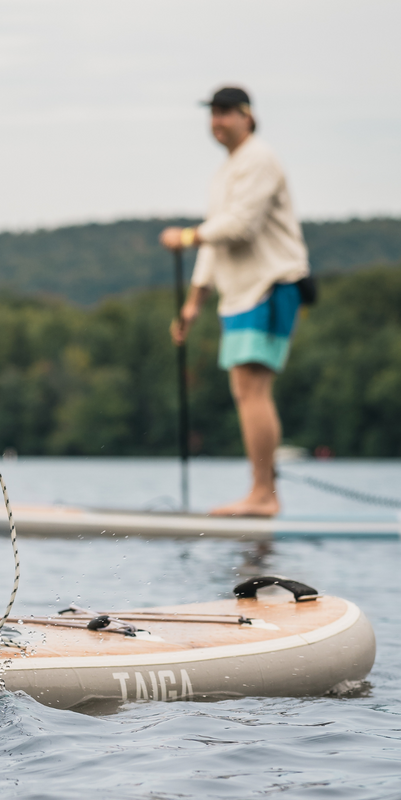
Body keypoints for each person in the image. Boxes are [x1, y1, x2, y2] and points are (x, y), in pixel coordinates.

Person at [161, 86, 309, 517]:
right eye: (213, 114)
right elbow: (216, 242)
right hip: (241, 293)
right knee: (245, 390)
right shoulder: (225, 171)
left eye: (226, 113)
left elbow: (239, 227)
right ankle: (261, 491)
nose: (217, 121)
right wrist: (192, 304)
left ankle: (264, 495)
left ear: (248, 116)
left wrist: (185, 236)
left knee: (253, 388)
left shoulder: (259, 159)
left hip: (272, 285)